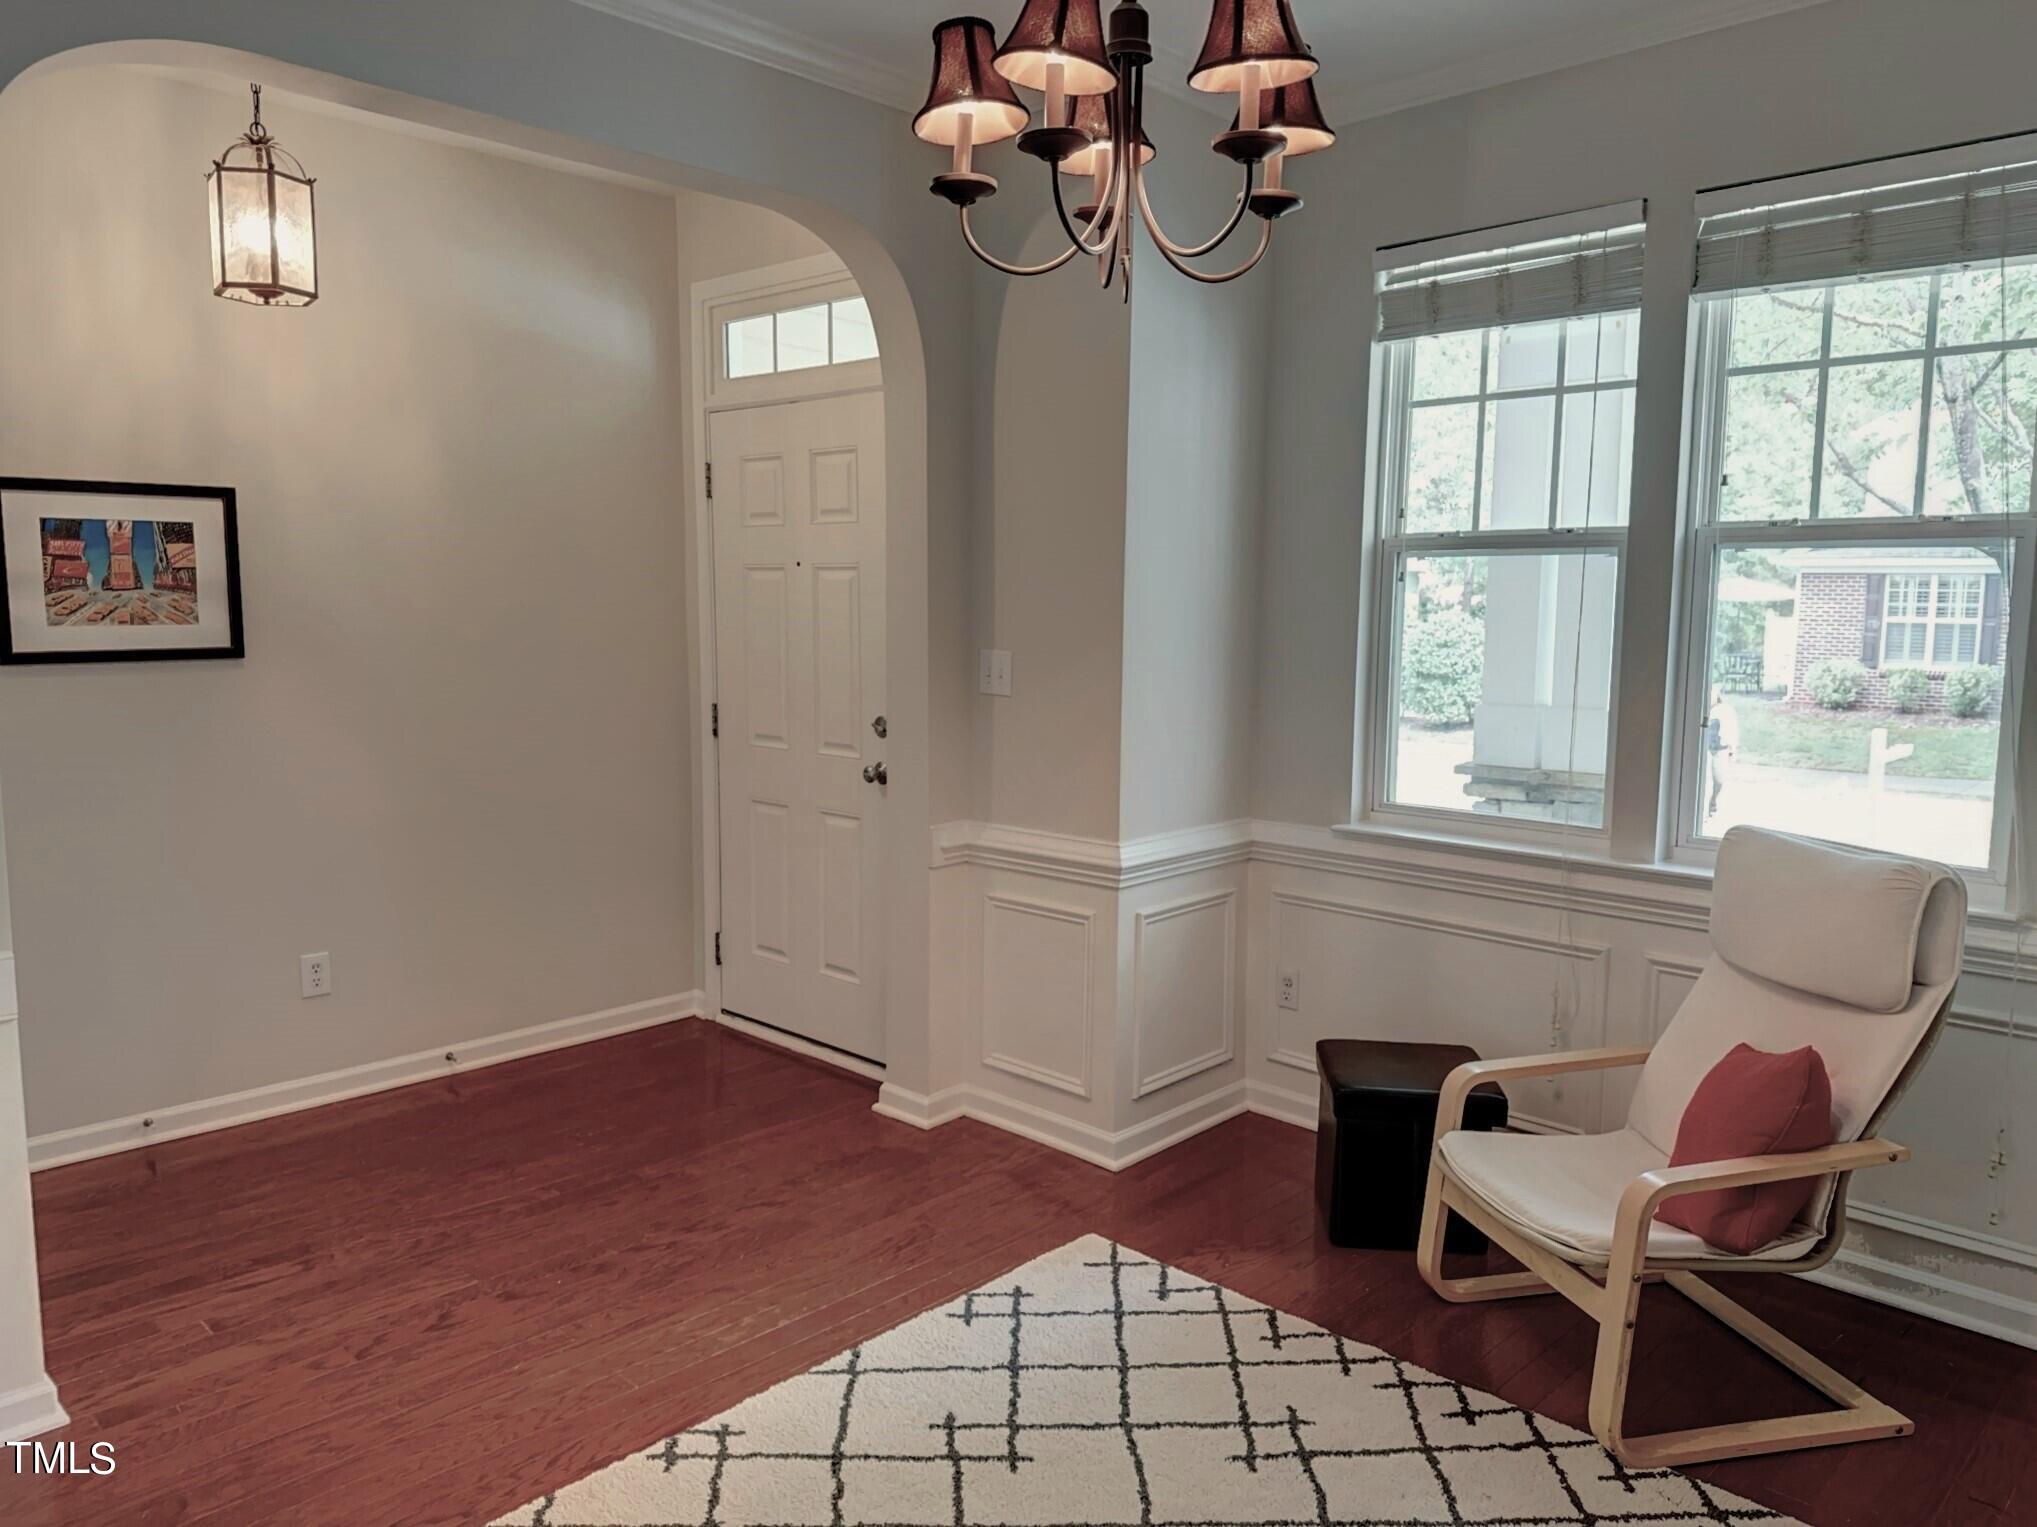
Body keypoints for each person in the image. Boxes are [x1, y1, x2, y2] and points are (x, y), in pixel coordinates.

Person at [1704, 683, 1741, 817]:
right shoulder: (1702, 709)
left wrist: (1733, 749)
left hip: (1721, 749)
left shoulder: (1725, 710)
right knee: (1706, 782)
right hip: (1706, 750)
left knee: (1719, 780)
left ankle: (1714, 801)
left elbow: (1732, 731)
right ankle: (1707, 810)